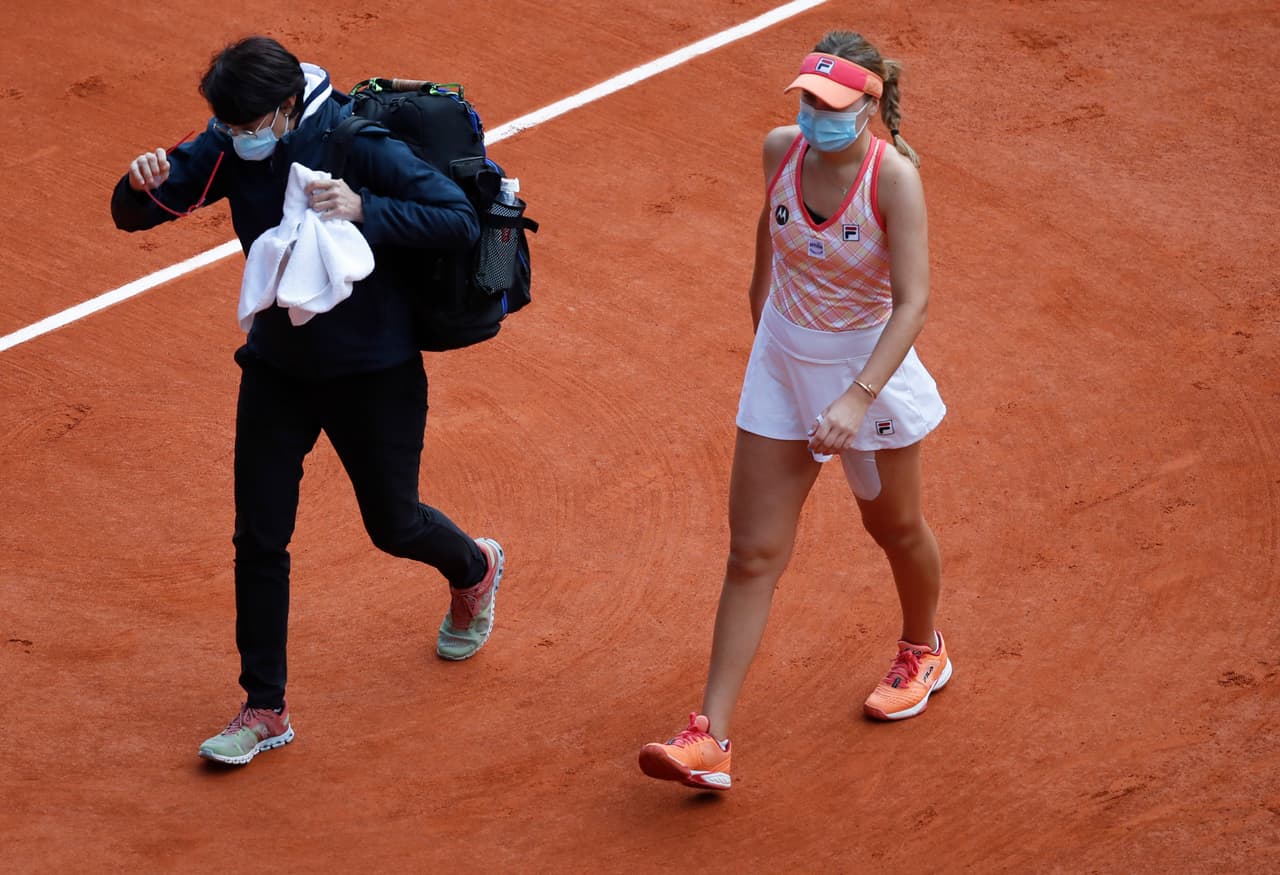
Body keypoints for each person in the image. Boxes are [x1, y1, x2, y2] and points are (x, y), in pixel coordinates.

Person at [111, 36, 505, 766]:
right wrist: (139, 185)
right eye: (225, 127)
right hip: (278, 368)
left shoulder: (357, 139)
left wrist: (366, 207)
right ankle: (265, 707)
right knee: (258, 536)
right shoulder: (233, 139)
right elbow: (137, 214)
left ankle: (473, 567)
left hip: (374, 371)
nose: (233, 139)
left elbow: (457, 219)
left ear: (286, 108)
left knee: (394, 523)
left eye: (247, 125)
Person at [638, 30, 951, 790]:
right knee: (752, 552)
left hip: (864, 374)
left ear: (869, 107)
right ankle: (708, 737)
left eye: (832, 104)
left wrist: (853, 395)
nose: (815, 115)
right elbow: (768, 247)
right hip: (783, 363)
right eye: (808, 99)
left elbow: (912, 304)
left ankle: (924, 647)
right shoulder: (781, 148)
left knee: (893, 526)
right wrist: (769, 352)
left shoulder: (893, 180)